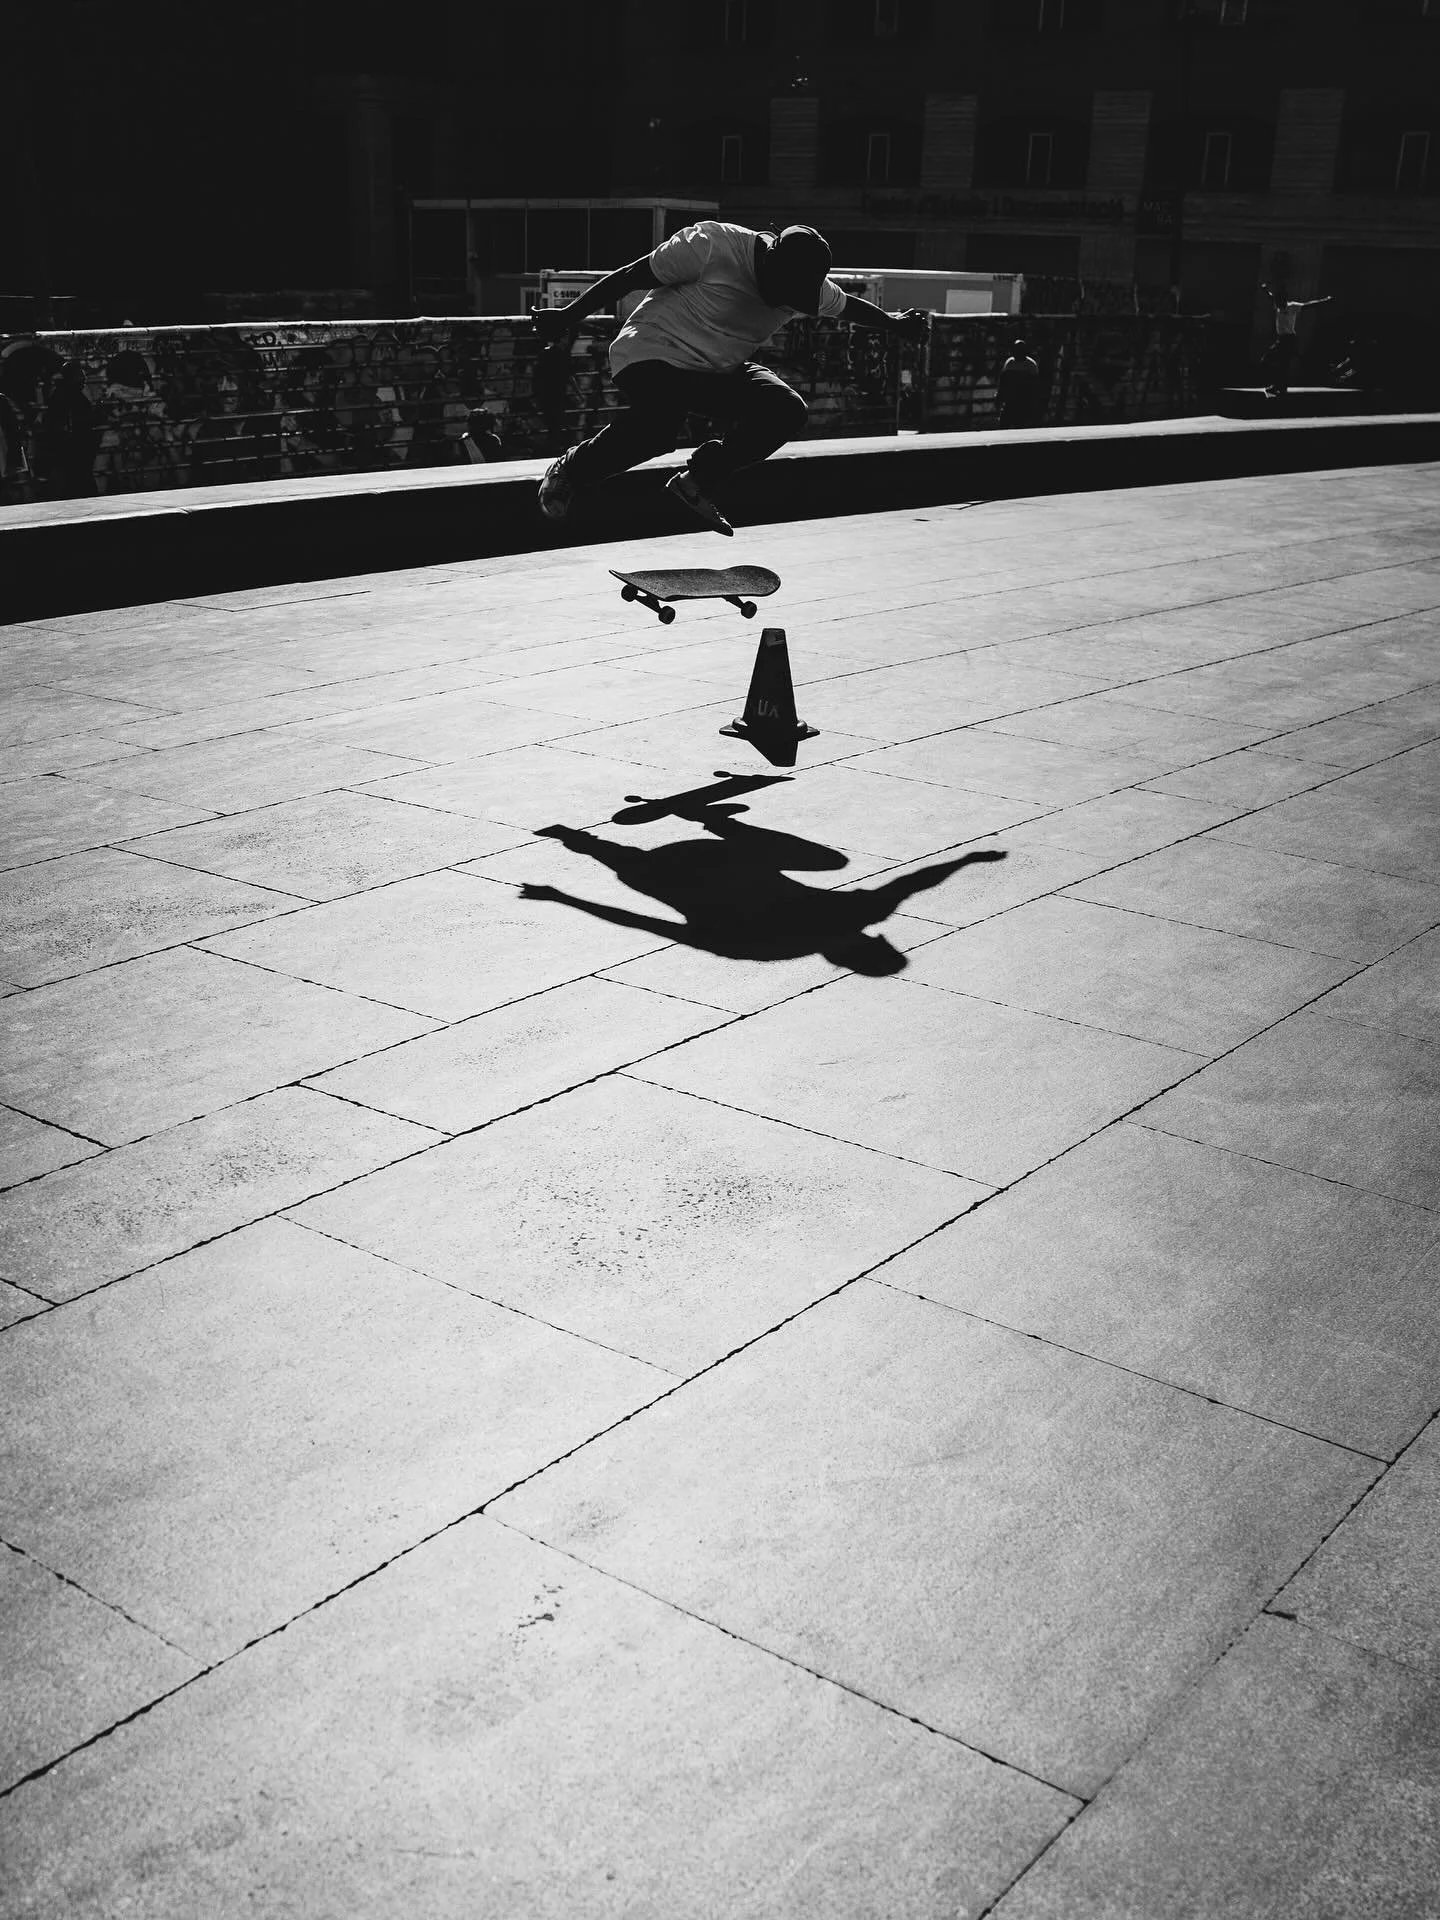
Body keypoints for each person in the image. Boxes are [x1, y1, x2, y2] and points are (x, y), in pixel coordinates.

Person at [533, 221, 928, 535]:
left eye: (796, 299)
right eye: (781, 293)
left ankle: (697, 481)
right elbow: (631, 276)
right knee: (658, 426)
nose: (784, 304)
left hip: (715, 371)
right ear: (769, 263)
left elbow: (849, 308)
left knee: (786, 409)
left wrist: (893, 323)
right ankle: (569, 471)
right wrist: (568, 316)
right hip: (651, 353)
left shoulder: (807, 286)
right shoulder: (711, 245)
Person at [1260, 281, 1332, 399]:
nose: (1278, 306)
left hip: (1288, 339)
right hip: (1281, 339)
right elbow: (1271, 296)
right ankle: (1279, 386)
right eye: (1277, 303)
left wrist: (1325, 300)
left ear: (1284, 301)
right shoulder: (1277, 304)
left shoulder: (1292, 306)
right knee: (1271, 362)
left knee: (1281, 364)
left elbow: (1309, 305)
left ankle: (1279, 387)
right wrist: (1265, 289)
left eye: (1280, 303)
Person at [995, 338, 1041, 428]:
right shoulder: (1010, 363)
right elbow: (1003, 381)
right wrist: (999, 396)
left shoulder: (1031, 365)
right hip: (1010, 401)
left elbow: (1035, 386)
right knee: (1003, 425)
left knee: (1020, 426)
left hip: (1023, 402)